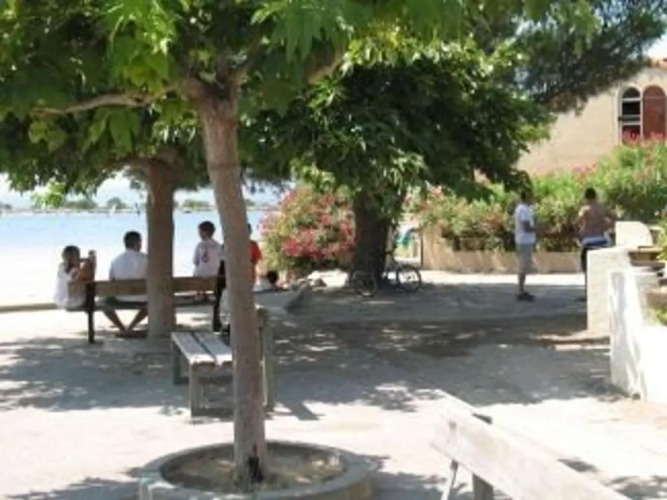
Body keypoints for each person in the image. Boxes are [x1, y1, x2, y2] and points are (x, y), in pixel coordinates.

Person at [104, 231, 148, 335]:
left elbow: (111, 280)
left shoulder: (116, 260)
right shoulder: (147, 258)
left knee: (103, 303)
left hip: (121, 298)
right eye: (140, 242)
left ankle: (122, 327)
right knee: (155, 302)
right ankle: (131, 326)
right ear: (137, 242)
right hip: (143, 298)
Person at [576, 187, 617, 289]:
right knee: (600, 266)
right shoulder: (602, 208)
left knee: (587, 267)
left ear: (586, 197)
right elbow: (615, 217)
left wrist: (579, 233)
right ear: (596, 196)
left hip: (588, 240)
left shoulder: (585, 209)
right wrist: (608, 226)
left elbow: (578, 221)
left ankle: (588, 291)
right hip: (601, 239)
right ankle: (600, 288)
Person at [514, 191, 537, 301]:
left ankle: (522, 290)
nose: (532, 198)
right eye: (531, 196)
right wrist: (538, 229)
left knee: (524, 265)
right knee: (523, 266)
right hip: (524, 241)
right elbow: (526, 226)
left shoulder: (524, 209)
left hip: (524, 240)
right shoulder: (523, 209)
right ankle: (521, 291)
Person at [193, 220, 224, 300]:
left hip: (201, 275)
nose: (199, 234)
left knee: (196, 270)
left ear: (205, 232)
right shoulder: (218, 245)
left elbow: (195, 261)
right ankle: (213, 292)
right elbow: (222, 259)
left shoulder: (199, 245)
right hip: (215, 274)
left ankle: (200, 293)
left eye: (200, 231)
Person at [53, 245, 87, 310]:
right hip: (72, 302)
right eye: (78, 256)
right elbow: (86, 280)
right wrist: (88, 261)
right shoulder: (75, 271)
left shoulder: (61, 267)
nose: (79, 258)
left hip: (59, 300)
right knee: (87, 293)